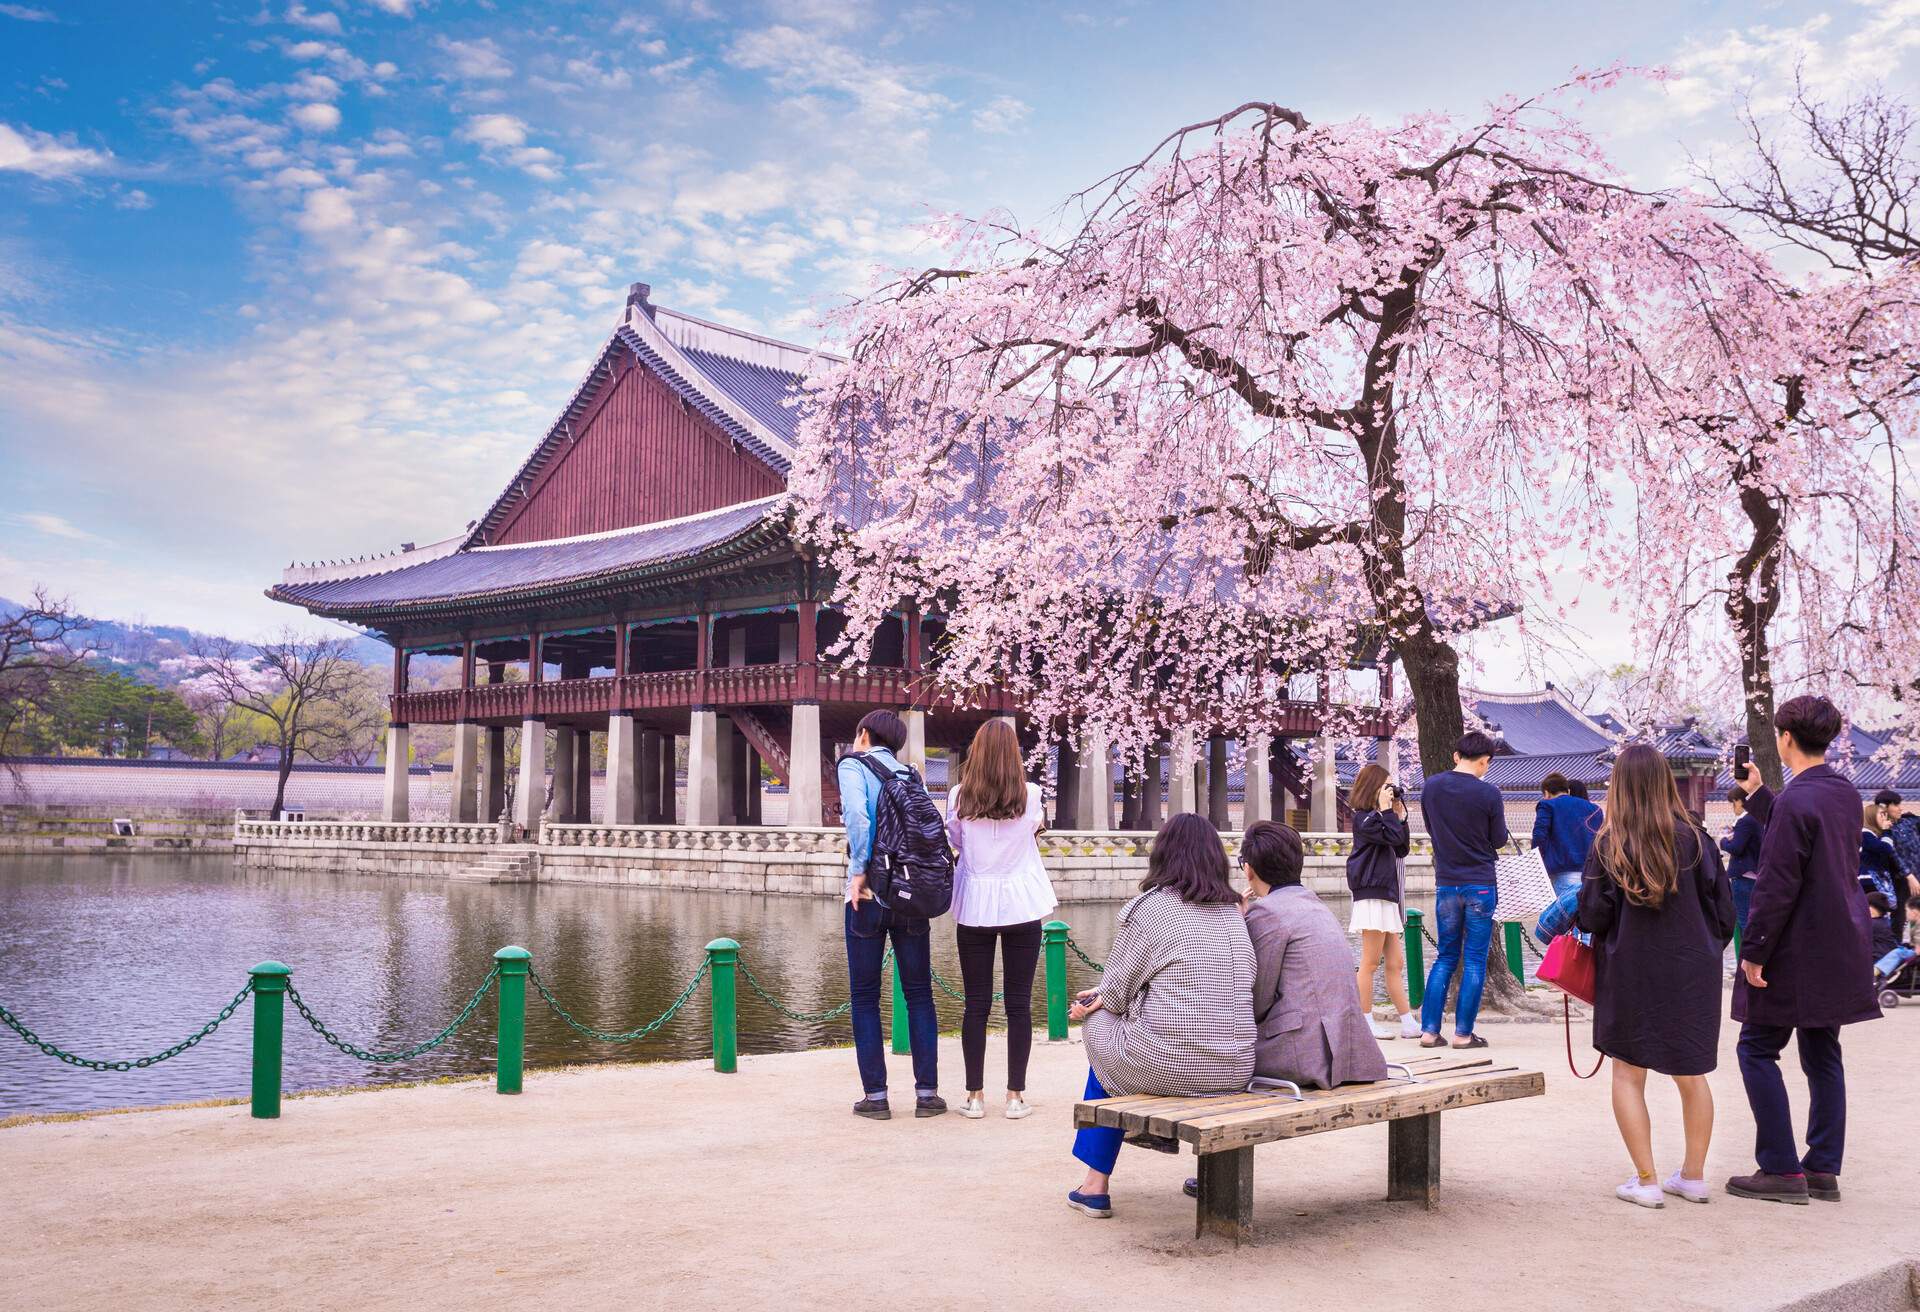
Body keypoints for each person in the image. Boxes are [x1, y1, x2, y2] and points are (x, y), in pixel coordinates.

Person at [1729, 695, 1881, 1205]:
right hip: (1840, 942)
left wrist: (1754, 953)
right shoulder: (1842, 793)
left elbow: (1777, 882)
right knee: (1822, 1053)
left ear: (1785, 738)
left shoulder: (1799, 799)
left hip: (1795, 948)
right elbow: (1807, 835)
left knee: (1756, 1048)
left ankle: (1779, 1168)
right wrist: (1759, 797)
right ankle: (1821, 1168)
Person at [1067, 813, 1256, 1220]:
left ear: (1163, 854)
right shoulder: (1232, 913)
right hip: (1234, 1067)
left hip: (1172, 1066)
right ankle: (1158, 1141)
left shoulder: (1150, 907)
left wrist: (1099, 1000)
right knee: (1127, 1026)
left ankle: (1094, 1185)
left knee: (1099, 1027)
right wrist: (1108, 993)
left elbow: (1117, 996)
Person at [1576, 745, 1736, 1208]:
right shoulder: (1697, 839)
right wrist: (1702, 950)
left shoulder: (1609, 842)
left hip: (1630, 970)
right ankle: (1693, 1175)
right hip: (1692, 969)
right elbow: (1725, 914)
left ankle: (1645, 1180)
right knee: (1692, 1074)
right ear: (1667, 781)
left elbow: (1592, 916)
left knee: (1628, 1072)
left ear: (1619, 786)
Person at [945, 718, 1057, 1121]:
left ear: (976, 752)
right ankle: (1014, 1096)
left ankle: (974, 1096)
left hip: (975, 901)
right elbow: (1034, 830)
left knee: (975, 1004)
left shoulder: (960, 795)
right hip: (1021, 903)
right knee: (1019, 1005)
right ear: (1013, 754)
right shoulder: (1030, 794)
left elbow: (955, 842)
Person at [838, 709, 943, 1121]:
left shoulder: (854, 764)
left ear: (864, 734)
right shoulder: (910, 775)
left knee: (865, 997)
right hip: (911, 893)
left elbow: (858, 821)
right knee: (919, 994)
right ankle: (928, 1095)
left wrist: (858, 873)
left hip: (870, 895)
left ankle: (877, 1098)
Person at [1251, 820, 1390, 1087]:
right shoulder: (1316, 905)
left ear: (1248, 869)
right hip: (1349, 1051)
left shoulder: (1266, 912)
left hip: (1302, 1053)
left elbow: (1258, 999)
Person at [1417, 730, 1509, 1049]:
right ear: (1484, 761)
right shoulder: (1489, 794)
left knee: (1445, 955)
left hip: (1446, 881)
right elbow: (1498, 839)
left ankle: (1428, 1030)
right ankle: (1462, 1034)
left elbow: (1430, 827)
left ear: (1456, 756)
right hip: (1480, 883)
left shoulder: (1431, 787)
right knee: (1473, 960)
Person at [1345, 763, 1418, 1040]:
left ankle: (1407, 1021)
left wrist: (1398, 814)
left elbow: (1401, 846)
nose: (1390, 790)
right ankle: (1365, 1020)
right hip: (1372, 894)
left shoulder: (1382, 817)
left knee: (1395, 962)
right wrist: (1387, 812)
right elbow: (1388, 836)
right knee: (1370, 962)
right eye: (1386, 785)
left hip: (1385, 893)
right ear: (1374, 788)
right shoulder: (1364, 819)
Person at [1533, 771, 1602, 899]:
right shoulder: (1595, 809)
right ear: (1568, 791)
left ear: (1546, 793)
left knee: (1565, 916)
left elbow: (1539, 836)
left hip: (1562, 872)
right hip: (1591, 874)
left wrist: (1536, 863)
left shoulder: (1547, 805)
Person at [1721, 785, 1764, 938]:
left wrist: (1723, 842)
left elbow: (1737, 848)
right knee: (1752, 920)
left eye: (1733, 803)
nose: (1733, 808)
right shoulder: (1758, 818)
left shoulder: (1745, 820)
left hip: (1744, 877)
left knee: (1744, 921)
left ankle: (1747, 958)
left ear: (1739, 801)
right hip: (1755, 876)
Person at [1880, 789, 1920, 911]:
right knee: (1902, 917)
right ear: (1884, 807)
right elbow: (1892, 854)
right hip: (1902, 881)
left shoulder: (1909, 821)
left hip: (1917, 875)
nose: (1900, 808)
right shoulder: (1882, 831)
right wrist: (1909, 875)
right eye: (1896, 805)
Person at [1860, 803, 1901, 910]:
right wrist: (1886, 831)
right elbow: (1885, 848)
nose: (1885, 817)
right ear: (1872, 817)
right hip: (1869, 880)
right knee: (1877, 911)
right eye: (1881, 814)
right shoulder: (1865, 834)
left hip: (1877, 879)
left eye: (1885, 814)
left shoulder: (1875, 835)